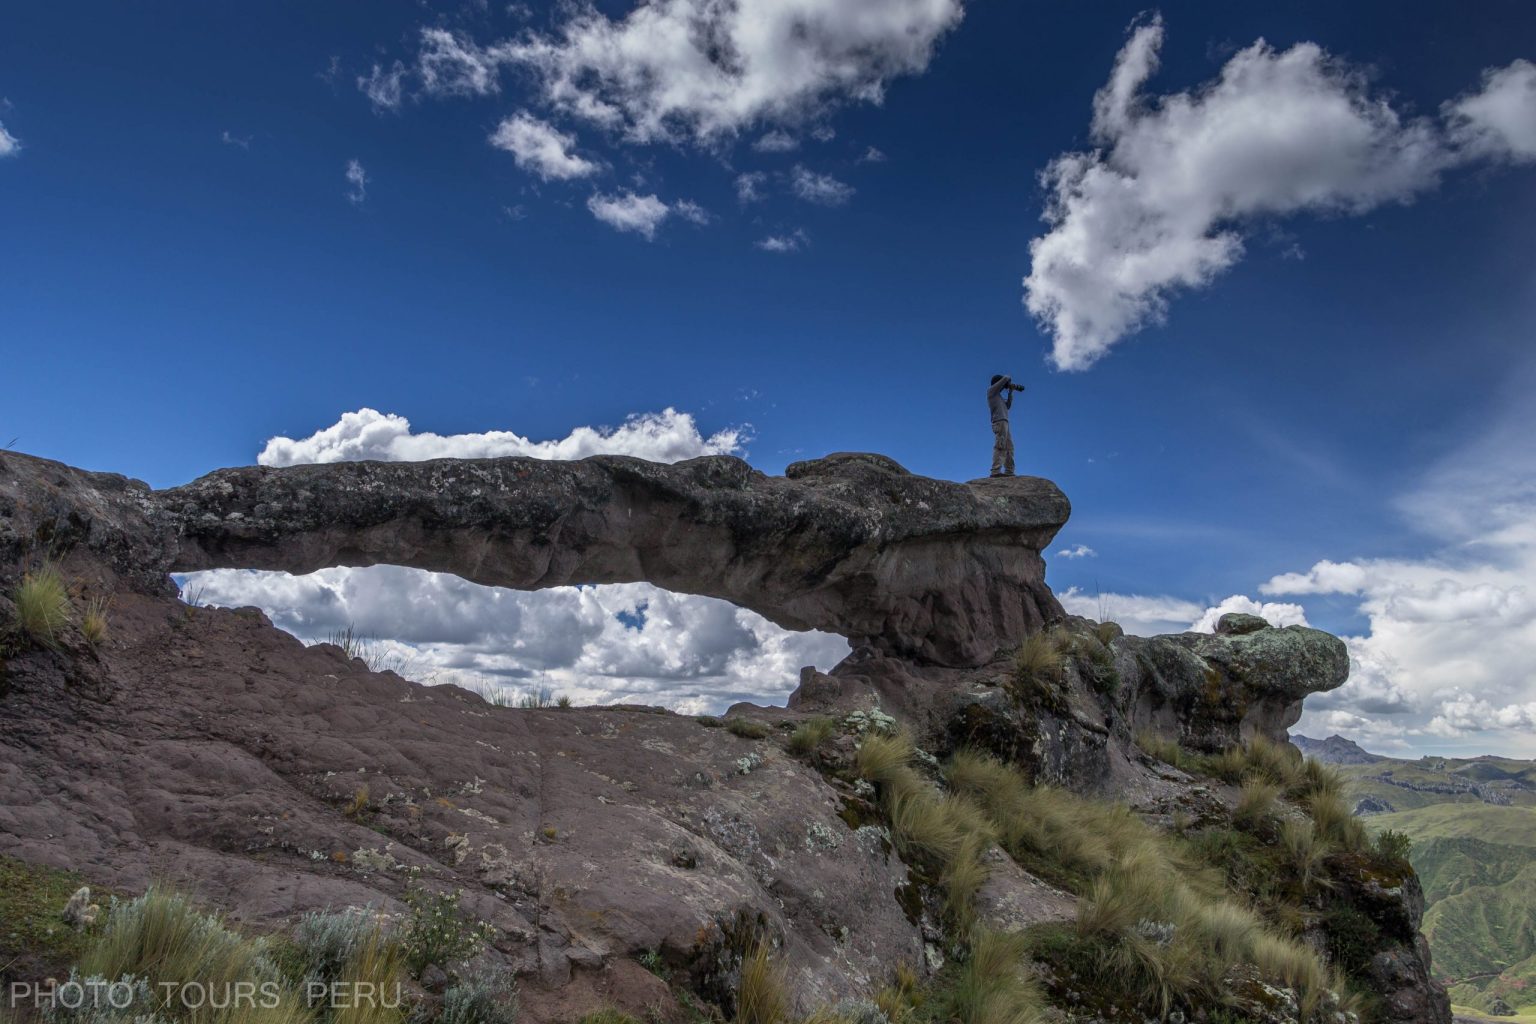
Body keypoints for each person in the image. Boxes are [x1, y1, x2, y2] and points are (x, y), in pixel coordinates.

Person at [988, 373, 1024, 477]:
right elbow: (1007, 377)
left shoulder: (998, 397)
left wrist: (1010, 392)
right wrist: (1008, 382)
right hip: (999, 422)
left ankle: (1009, 471)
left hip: (1005, 422)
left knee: (1009, 447)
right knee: (1000, 445)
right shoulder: (991, 392)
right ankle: (995, 471)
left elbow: (1008, 406)